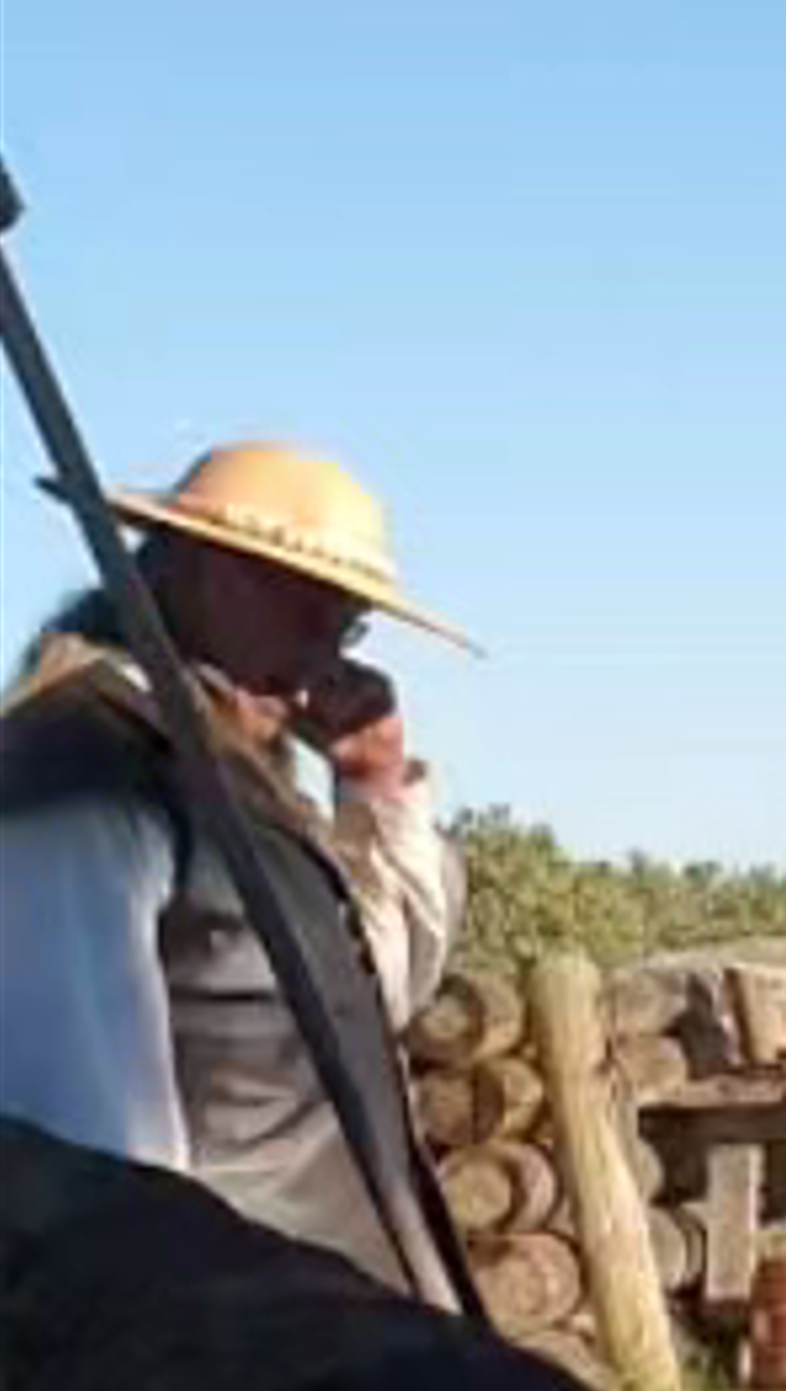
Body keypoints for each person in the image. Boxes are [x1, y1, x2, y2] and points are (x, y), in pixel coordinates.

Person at [0, 439, 470, 1301]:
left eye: (346, 622)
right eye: (307, 608)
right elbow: (92, 1148)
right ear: (198, 573)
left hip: (334, 1332)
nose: (325, 659)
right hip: (221, 1353)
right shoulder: (82, 766)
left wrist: (374, 790)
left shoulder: (230, 781)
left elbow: (366, 1000)